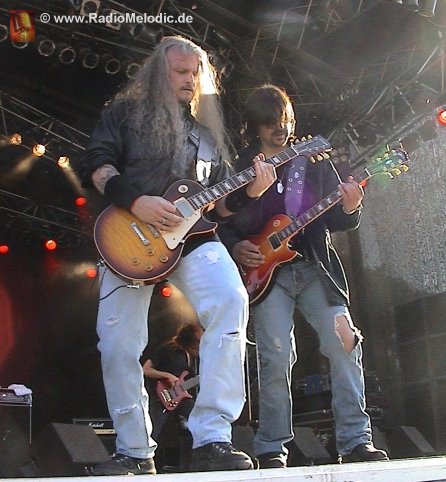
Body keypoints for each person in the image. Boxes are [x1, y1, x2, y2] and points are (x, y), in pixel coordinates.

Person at [81, 36, 276, 475]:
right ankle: (135, 451)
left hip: (194, 239)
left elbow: (219, 209)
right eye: (181, 71)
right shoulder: (124, 114)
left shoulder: (206, 137)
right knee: (118, 345)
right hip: (130, 236)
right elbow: (97, 165)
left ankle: (213, 437)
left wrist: (252, 192)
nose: (190, 80)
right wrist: (137, 201)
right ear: (159, 72)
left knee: (231, 300)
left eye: (195, 74)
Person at [218, 84, 389, 468]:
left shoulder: (312, 159)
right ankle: (271, 448)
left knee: (345, 342)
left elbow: (338, 219)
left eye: (285, 120)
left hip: (315, 267)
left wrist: (351, 207)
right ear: (256, 125)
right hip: (265, 276)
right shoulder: (241, 166)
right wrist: (235, 246)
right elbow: (221, 218)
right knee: (276, 356)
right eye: (270, 122)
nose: (279, 128)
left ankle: (356, 441)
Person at [142, 322, 203, 472]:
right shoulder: (166, 349)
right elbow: (146, 369)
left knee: (195, 422)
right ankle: (144, 461)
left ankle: (191, 465)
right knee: (153, 431)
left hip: (180, 396)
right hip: (161, 395)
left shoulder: (188, 355)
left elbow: (187, 380)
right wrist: (167, 375)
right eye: (197, 340)